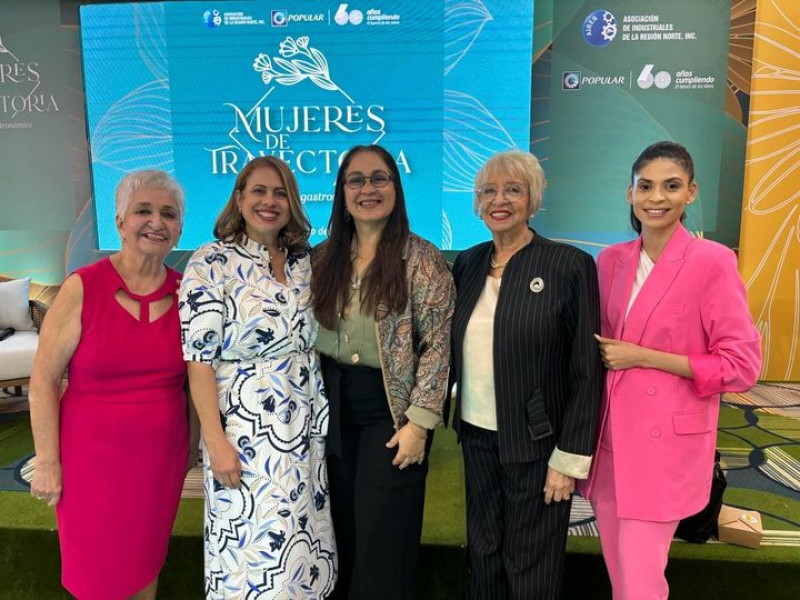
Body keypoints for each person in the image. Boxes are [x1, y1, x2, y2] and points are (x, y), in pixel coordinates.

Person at [585, 141, 762, 599]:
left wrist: (644, 356)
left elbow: (742, 367)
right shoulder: (611, 261)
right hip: (610, 443)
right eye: (645, 186)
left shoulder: (713, 262)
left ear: (691, 193)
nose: (656, 197)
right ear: (630, 193)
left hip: (664, 448)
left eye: (671, 186)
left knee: (642, 583)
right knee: (621, 576)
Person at [179, 156, 335, 599]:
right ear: (239, 198)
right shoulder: (211, 262)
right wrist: (216, 440)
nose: (270, 201)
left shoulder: (305, 260)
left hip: (305, 426)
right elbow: (198, 360)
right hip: (246, 433)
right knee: (255, 552)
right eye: (260, 191)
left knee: (304, 544)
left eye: (280, 192)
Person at [28, 170, 190, 600]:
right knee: (94, 577)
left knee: (144, 566)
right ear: (119, 221)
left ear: (179, 228)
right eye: (143, 211)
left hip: (160, 462)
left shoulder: (188, 293)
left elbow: (197, 378)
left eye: (168, 214)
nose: (156, 221)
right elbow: (43, 380)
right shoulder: (83, 287)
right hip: (88, 463)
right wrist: (47, 460)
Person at [449, 150, 602, 599]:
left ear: (533, 200)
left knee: (530, 560)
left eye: (514, 190)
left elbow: (585, 370)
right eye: (489, 191)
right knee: (484, 549)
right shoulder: (469, 263)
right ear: (477, 203)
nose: (500, 200)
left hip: (538, 441)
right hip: (476, 434)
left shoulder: (569, 265)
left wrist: (569, 459)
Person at [311, 144, 455, 599]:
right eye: (356, 179)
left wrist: (420, 423)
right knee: (339, 532)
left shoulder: (422, 258)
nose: (367, 189)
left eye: (379, 178)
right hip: (328, 407)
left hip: (392, 413)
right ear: (341, 192)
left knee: (383, 539)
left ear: (396, 188)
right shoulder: (320, 258)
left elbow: (438, 345)